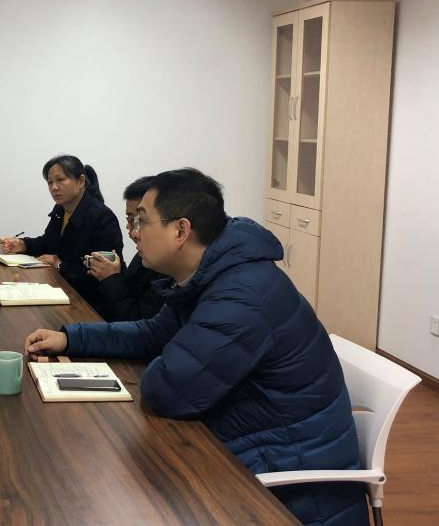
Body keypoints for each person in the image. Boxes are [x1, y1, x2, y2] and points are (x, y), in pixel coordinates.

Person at [23, 168, 368, 525]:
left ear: (181, 230)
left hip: (290, 490)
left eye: (142, 221)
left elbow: (166, 390)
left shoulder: (242, 296)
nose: (134, 233)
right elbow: (151, 334)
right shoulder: (209, 275)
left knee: (113, 488)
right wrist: (71, 337)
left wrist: (161, 356)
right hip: (246, 445)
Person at [0, 155, 124, 312]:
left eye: (60, 180)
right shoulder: (60, 209)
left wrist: (61, 265)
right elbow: (48, 242)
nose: (54, 187)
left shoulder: (102, 218)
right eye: (50, 182)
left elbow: (101, 272)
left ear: (80, 181)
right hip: (61, 290)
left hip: (90, 303)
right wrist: (23, 244)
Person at [86, 176, 169, 321]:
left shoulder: (170, 269)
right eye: (130, 220)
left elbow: (138, 323)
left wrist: (111, 278)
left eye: (139, 220)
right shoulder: (144, 252)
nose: (132, 231)